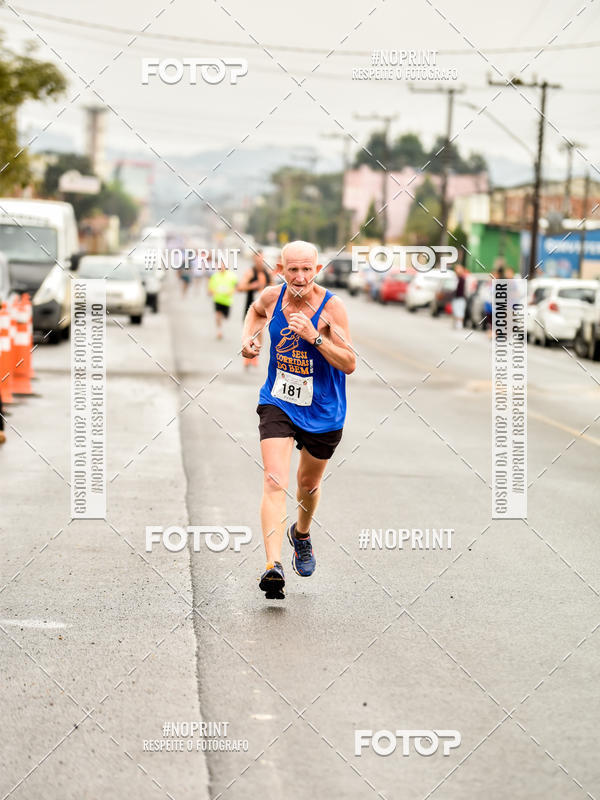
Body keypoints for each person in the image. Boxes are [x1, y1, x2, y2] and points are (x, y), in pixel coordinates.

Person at [241, 240, 356, 600]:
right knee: (275, 480)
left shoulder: (332, 307)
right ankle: (272, 566)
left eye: (307, 269)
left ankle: (301, 534)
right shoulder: (273, 297)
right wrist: (248, 338)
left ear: (317, 269)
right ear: (282, 268)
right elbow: (255, 311)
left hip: (324, 411)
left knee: (307, 484)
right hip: (279, 400)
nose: (301, 276)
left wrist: (315, 338)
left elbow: (349, 362)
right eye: (293, 269)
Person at [237, 250, 272, 368]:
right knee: (249, 332)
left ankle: (255, 355)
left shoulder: (268, 274)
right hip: (250, 307)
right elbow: (240, 287)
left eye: (261, 259)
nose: (259, 262)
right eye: (257, 259)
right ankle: (248, 355)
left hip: (263, 309)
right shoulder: (250, 273)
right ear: (254, 260)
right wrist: (251, 286)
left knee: (260, 332)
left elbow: (274, 289)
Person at [208, 259, 238, 339]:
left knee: (226, 317)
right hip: (217, 299)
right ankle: (219, 331)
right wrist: (212, 291)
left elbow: (237, 286)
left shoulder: (232, 276)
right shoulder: (215, 276)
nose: (221, 267)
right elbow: (210, 288)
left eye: (223, 266)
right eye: (220, 266)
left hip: (227, 301)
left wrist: (232, 291)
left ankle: (221, 323)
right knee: (218, 315)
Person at [451, 264, 467, 329]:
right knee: (455, 311)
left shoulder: (463, 279)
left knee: (460, 311)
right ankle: (456, 323)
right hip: (455, 297)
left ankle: (459, 324)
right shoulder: (454, 278)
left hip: (461, 298)